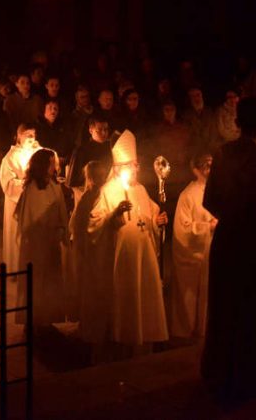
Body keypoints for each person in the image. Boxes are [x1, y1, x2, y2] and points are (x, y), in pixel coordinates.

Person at [201, 97, 256, 401]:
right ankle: (249, 372)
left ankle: (221, 369)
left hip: (227, 240)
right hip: (252, 243)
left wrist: (232, 214)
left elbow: (209, 200)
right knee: (251, 305)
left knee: (226, 303)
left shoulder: (223, 155)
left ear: (237, 123)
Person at [88, 130, 169, 349]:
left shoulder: (141, 189)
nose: (136, 168)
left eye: (135, 164)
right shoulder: (108, 190)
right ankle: (123, 338)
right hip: (122, 255)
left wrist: (157, 221)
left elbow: (149, 217)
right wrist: (114, 214)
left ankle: (146, 337)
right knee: (127, 296)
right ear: (118, 169)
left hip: (145, 254)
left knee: (145, 295)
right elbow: (94, 223)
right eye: (131, 165)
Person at [14, 148, 69, 331]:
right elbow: (29, 220)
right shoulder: (32, 189)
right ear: (44, 165)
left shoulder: (54, 185)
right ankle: (34, 318)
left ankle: (47, 317)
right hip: (37, 245)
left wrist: (61, 228)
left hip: (51, 242)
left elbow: (60, 210)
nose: (55, 166)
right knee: (37, 281)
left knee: (50, 281)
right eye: (52, 163)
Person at [170, 153, 216, 339]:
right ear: (196, 169)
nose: (210, 170)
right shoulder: (188, 195)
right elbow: (183, 229)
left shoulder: (217, 190)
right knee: (189, 295)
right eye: (206, 166)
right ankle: (186, 331)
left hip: (212, 249)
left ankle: (209, 330)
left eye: (212, 165)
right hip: (195, 252)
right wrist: (207, 227)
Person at [69, 161, 111, 356]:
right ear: (91, 178)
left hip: (100, 250)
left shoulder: (100, 195)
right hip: (91, 251)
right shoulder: (88, 197)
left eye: (104, 176)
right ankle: (90, 329)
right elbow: (80, 226)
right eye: (98, 176)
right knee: (92, 290)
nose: (101, 180)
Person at [0, 124, 42, 272]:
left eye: (33, 135)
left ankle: (33, 268)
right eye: (27, 135)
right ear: (19, 136)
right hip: (17, 202)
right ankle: (17, 268)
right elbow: (8, 183)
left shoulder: (39, 153)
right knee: (17, 236)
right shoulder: (10, 157)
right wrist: (26, 184)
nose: (31, 138)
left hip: (35, 200)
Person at [66, 115, 111, 190]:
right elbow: (73, 182)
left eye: (106, 129)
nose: (103, 133)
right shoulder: (81, 151)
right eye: (99, 130)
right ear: (91, 130)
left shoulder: (110, 148)